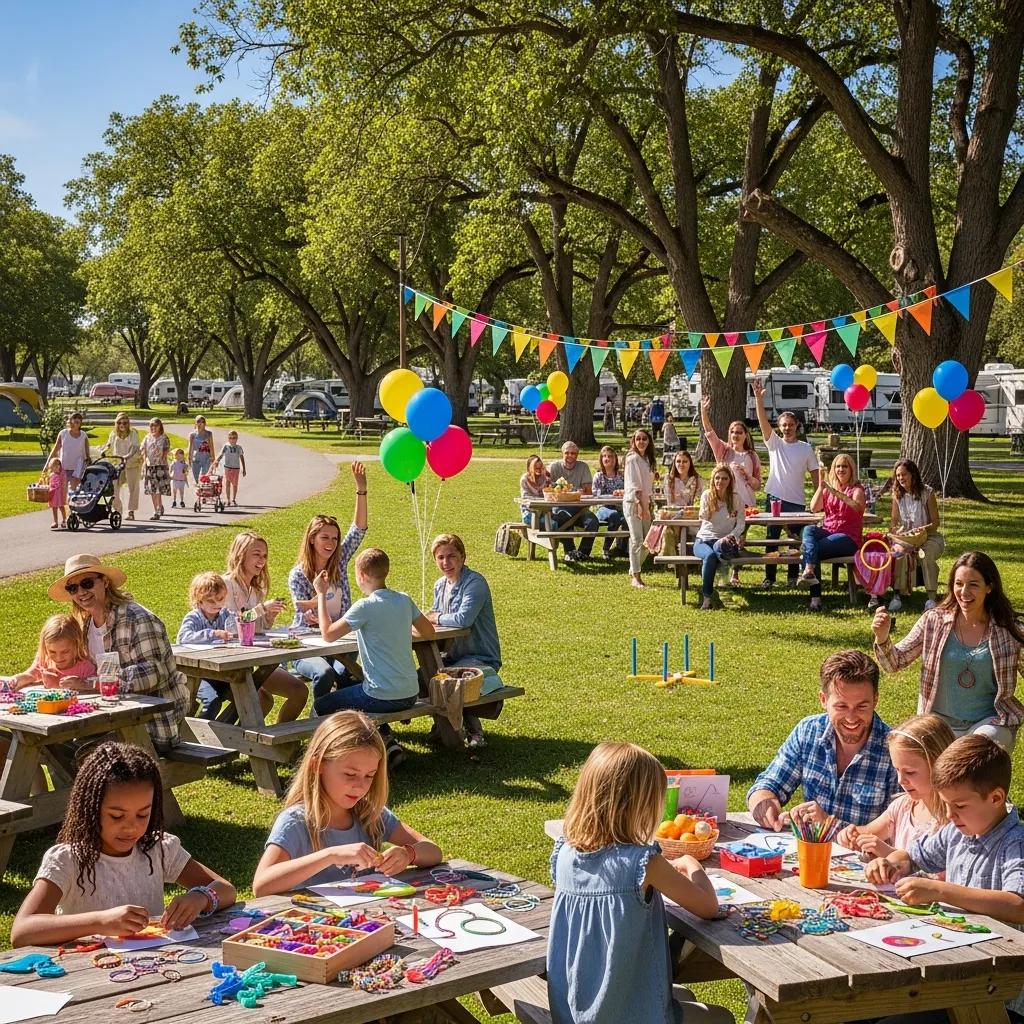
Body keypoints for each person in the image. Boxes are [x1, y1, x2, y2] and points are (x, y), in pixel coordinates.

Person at [547, 741, 732, 1024]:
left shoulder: (564, 854)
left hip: (574, 1009)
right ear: (636, 806)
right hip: (626, 1014)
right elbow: (707, 906)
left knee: (685, 997)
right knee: (722, 1018)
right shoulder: (644, 863)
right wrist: (691, 863)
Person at [11, 742, 236, 946]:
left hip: (153, 968)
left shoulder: (158, 848)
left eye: (143, 815)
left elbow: (226, 889)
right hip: (87, 971)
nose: (131, 828)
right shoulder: (68, 860)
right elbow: (22, 931)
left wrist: (200, 898)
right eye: (117, 817)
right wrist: (100, 921)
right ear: (91, 810)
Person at [865, 735, 1024, 1024]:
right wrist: (889, 863)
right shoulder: (957, 830)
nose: (950, 815)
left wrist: (940, 890)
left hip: (997, 994)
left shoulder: (1016, 843)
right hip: (952, 971)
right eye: (946, 805)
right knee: (861, 1007)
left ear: (996, 798)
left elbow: (1018, 905)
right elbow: (913, 856)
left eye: (959, 806)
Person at [252, 711, 442, 894]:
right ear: (317, 765)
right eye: (350, 774)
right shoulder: (296, 822)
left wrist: (408, 854)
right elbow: (262, 885)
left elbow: (433, 851)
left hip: (369, 920)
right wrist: (330, 856)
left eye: (369, 776)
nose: (360, 786)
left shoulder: (370, 814)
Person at [872, 550, 1023, 752]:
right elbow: (895, 662)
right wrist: (882, 637)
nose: (964, 592)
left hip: (988, 722)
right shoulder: (933, 621)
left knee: (975, 753)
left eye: (973, 585)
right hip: (937, 724)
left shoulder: (1009, 630)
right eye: (959, 583)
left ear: (989, 587)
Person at [50, 554, 190, 751]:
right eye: (73, 588)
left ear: (105, 582)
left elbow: (153, 674)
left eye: (87, 583)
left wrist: (91, 684)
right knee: (51, 744)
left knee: (82, 751)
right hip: (109, 716)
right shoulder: (86, 624)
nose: (81, 592)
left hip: (151, 724)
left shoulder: (136, 618)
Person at [746, 650, 900, 828]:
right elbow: (768, 784)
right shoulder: (809, 731)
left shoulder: (895, 750)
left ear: (876, 700)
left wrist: (828, 824)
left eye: (862, 707)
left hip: (866, 855)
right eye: (841, 706)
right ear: (823, 700)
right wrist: (766, 804)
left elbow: (900, 828)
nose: (851, 717)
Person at [311, 547, 434, 766]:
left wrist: (321, 594)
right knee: (348, 684)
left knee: (322, 704)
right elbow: (429, 632)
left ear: (362, 575)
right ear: (386, 571)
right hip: (410, 693)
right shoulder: (404, 600)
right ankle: (380, 743)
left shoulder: (365, 606)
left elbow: (328, 635)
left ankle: (318, 757)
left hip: (381, 696)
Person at [289, 463, 369, 703]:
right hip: (307, 644)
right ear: (312, 539)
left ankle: (341, 726)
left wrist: (361, 489)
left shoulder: (340, 560)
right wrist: (314, 606)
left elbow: (359, 529)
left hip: (341, 639)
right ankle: (319, 724)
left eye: (335, 538)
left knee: (349, 675)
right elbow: (302, 612)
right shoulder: (299, 574)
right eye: (325, 537)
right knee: (324, 674)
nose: (332, 543)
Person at [836, 714, 955, 861]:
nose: (901, 780)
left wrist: (889, 854)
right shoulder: (902, 807)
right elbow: (867, 833)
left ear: (938, 764)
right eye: (897, 770)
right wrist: (851, 835)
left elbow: (941, 876)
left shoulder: (954, 819)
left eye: (910, 772)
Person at [425, 533, 504, 749]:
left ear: (462, 557)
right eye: (440, 557)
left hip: (480, 658)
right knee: (424, 678)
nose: (446, 562)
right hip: (451, 657)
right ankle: (444, 726)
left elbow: (463, 619)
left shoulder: (475, 583)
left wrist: (433, 617)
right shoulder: (440, 585)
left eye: (451, 556)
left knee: (448, 681)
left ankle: (472, 731)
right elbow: (436, 619)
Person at [222, 531, 309, 724]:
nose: (262, 560)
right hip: (229, 662)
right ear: (241, 554)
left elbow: (258, 628)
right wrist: (262, 609)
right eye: (256, 554)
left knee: (299, 690)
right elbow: (231, 625)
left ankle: (279, 742)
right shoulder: (226, 584)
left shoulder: (255, 589)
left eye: (264, 556)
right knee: (263, 699)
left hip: (253, 658)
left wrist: (269, 616)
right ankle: (240, 743)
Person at [751, 378, 819, 589]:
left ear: (797, 426)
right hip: (775, 499)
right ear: (779, 428)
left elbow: (816, 476)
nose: (787, 428)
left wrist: (818, 502)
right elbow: (763, 423)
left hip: (797, 502)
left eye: (790, 425)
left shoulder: (806, 448)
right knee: (772, 540)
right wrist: (759, 401)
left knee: (794, 542)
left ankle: (792, 576)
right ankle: (769, 577)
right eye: (783, 425)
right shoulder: (775, 444)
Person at [176, 572, 268, 723]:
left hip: (221, 671)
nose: (216, 604)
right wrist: (213, 634)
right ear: (199, 601)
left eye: (220, 599)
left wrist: (261, 611)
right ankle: (196, 735)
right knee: (212, 702)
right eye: (210, 601)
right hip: (198, 674)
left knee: (248, 698)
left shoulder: (224, 614)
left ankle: (225, 730)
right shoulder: (194, 617)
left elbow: (242, 619)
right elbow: (183, 637)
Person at [700, 396, 761, 585]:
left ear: (745, 435)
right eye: (733, 432)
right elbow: (709, 432)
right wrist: (704, 411)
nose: (735, 435)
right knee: (725, 537)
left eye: (739, 432)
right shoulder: (723, 451)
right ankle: (720, 570)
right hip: (725, 504)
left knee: (740, 538)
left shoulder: (752, 456)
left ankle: (735, 573)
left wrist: (748, 477)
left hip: (746, 504)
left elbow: (758, 484)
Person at [798, 452, 865, 612]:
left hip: (848, 537)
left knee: (812, 550)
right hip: (828, 530)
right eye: (838, 466)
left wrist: (834, 492)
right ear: (833, 470)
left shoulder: (857, 489)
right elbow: (814, 508)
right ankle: (809, 570)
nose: (841, 470)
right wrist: (821, 488)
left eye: (844, 466)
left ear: (851, 469)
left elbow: (857, 507)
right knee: (808, 530)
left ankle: (815, 599)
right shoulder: (828, 488)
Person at [886, 458, 944, 612]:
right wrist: (896, 530)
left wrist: (922, 530)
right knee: (897, 554)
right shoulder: (897, 494)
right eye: (898, 476)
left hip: (930, 537)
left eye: (904, 475)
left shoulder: (927, 493)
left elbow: (935, 523)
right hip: (907, 539)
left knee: (925, 556)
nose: (900, 478)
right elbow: (893, 522)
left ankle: (931, 599)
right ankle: (897, 596)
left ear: (913, 475)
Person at [693, 463, 746, 611]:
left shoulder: (736, 499)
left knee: (718, 551)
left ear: (730, 481)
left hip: (724, 541)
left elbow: (741, 524)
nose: (720, 482)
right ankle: (707, 597)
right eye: (717, 478)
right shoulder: (707, 495)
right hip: (704, 539)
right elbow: (703, 517)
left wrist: (731, 536)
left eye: (724, 478)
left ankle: (720, 591)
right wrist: (708, 509)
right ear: (713, 480)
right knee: (710, 556)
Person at [4, 613, 95, 691]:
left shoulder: (85, 667)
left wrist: (81, 684)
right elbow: (31, 675)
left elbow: (97, 686)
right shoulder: (44, 661)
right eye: (52, 652)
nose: (58, 658)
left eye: (65, 652)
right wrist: (16, 680)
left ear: (77, 645)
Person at [547, 441, 597, 564]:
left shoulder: (583, 467)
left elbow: (588, 491)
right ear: (562, 453)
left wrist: (575, 493)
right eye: (567, 453)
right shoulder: (554, 467)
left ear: (577, 455)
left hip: (579, 508)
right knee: (562, 518)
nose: (570, 456)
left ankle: (583, 553)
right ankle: (569, 551)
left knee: (593, 522)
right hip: (560, 507)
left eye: (573, 453)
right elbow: (548, 488)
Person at [624, 428, 656, 589]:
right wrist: (639, 505)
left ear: (649, 441)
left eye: (644, 439)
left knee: (649, 541)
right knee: (637, 540)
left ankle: (633, 567)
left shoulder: (646, 459)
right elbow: (634, 484)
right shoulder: (632, 459)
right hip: (633, 503)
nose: (641, 442)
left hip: (645, 502)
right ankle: (636, 576)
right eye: (638, 439)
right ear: (634, 441)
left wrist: (648, 504)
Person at [591, 445, 626, 560]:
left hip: (621, 507)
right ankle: (606, 549)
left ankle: (622, 547)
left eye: (610, 456)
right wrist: (612, 496)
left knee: (629, 518)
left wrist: (622, 492)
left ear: (615, 459)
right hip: (603, 508)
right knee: (614, 515)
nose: (607, 458)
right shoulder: (598, 476)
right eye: (604, 456)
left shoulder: (621, 476)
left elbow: (629, 490)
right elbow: (596, 494)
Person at [105, 413, 142, 521]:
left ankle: (131, 511)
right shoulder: (113, 433)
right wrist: (104, 450)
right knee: (114, 487)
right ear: (116, 423)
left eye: (125, 423)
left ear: (128, 423)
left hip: (132, 463)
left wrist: (128, 456)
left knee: (133, 488)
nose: (122, 425)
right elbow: (108, 444)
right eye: (120, 422)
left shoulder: (133, 433)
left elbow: (135, 447)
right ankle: (117, 508)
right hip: (118, 464)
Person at [46, 410, 90, 497]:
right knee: (62, 493)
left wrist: (87, 463)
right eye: (75, 418)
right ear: (70, 420)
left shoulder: (83, 435)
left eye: (79, 419)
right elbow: (55, 449)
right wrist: (48, 464)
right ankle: (64, 509)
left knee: (73, 493)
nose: (77, 421)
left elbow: (87, 452)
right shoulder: (63, 433)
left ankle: (71, 510)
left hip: (77, 468)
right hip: (63, 468)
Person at [142, 417, 170, 521]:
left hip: (160, 466)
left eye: (155, 425)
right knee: (152, 490)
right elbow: (143, 450)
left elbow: (166, 451)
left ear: (160, 426)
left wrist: (162, 458)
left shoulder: (164, 438)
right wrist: (144, 462)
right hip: (149, 466)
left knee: (158, 489)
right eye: (151, 425)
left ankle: (158, 509)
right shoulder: (147, 438)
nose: (153, 427)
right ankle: (157, 509)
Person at [213, 430, 246, 507]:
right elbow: (221, 454)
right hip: (227, 467)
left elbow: (241, 457)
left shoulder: (239, 448)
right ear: (228, 438)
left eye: (234, 438)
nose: (232, 439)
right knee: (227, 483)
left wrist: (244, 468)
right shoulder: (226, 446)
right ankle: (228, 500)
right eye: (230, 438)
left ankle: (233, 499)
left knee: (235, 484)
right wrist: (217, 461)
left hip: (236, 468)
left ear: (237, 438)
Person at [519, 454, 549, 528]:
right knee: (552, 524)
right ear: (530, 468)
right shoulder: (524, 479)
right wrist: (541, 500)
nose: (538, 471)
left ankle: (552, 539)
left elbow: (550, 493)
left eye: (540, 468)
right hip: (529, 512)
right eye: (536, 468)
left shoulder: (545, 478)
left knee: (556, 523)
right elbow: (526, 498)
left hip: (544, 512)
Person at [187, 415, 214, 485]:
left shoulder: (209, 434)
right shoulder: (192, 435)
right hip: (196, 458)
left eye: (202, 422)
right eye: (198, 421)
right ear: (195, 423)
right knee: (195, 479)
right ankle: (198, 493)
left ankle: (203, 493)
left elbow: (211, 446)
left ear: (205, 424)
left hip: (206, 458)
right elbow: (190, 447)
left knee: (204, 477)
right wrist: (189, 458)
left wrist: (213, 458)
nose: (200, 423)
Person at [43, 457, 66, 530]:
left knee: (61, 506)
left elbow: (59, 484)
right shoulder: (51, 475)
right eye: (54, 466)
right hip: (53, 494)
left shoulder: (60, 474)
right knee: (54, 508)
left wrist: (52, 487)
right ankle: (55, 521)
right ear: (51, 467)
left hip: (58, 494)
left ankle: (64, 520)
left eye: (58, 465)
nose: (57, 467)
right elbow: (49, 483)